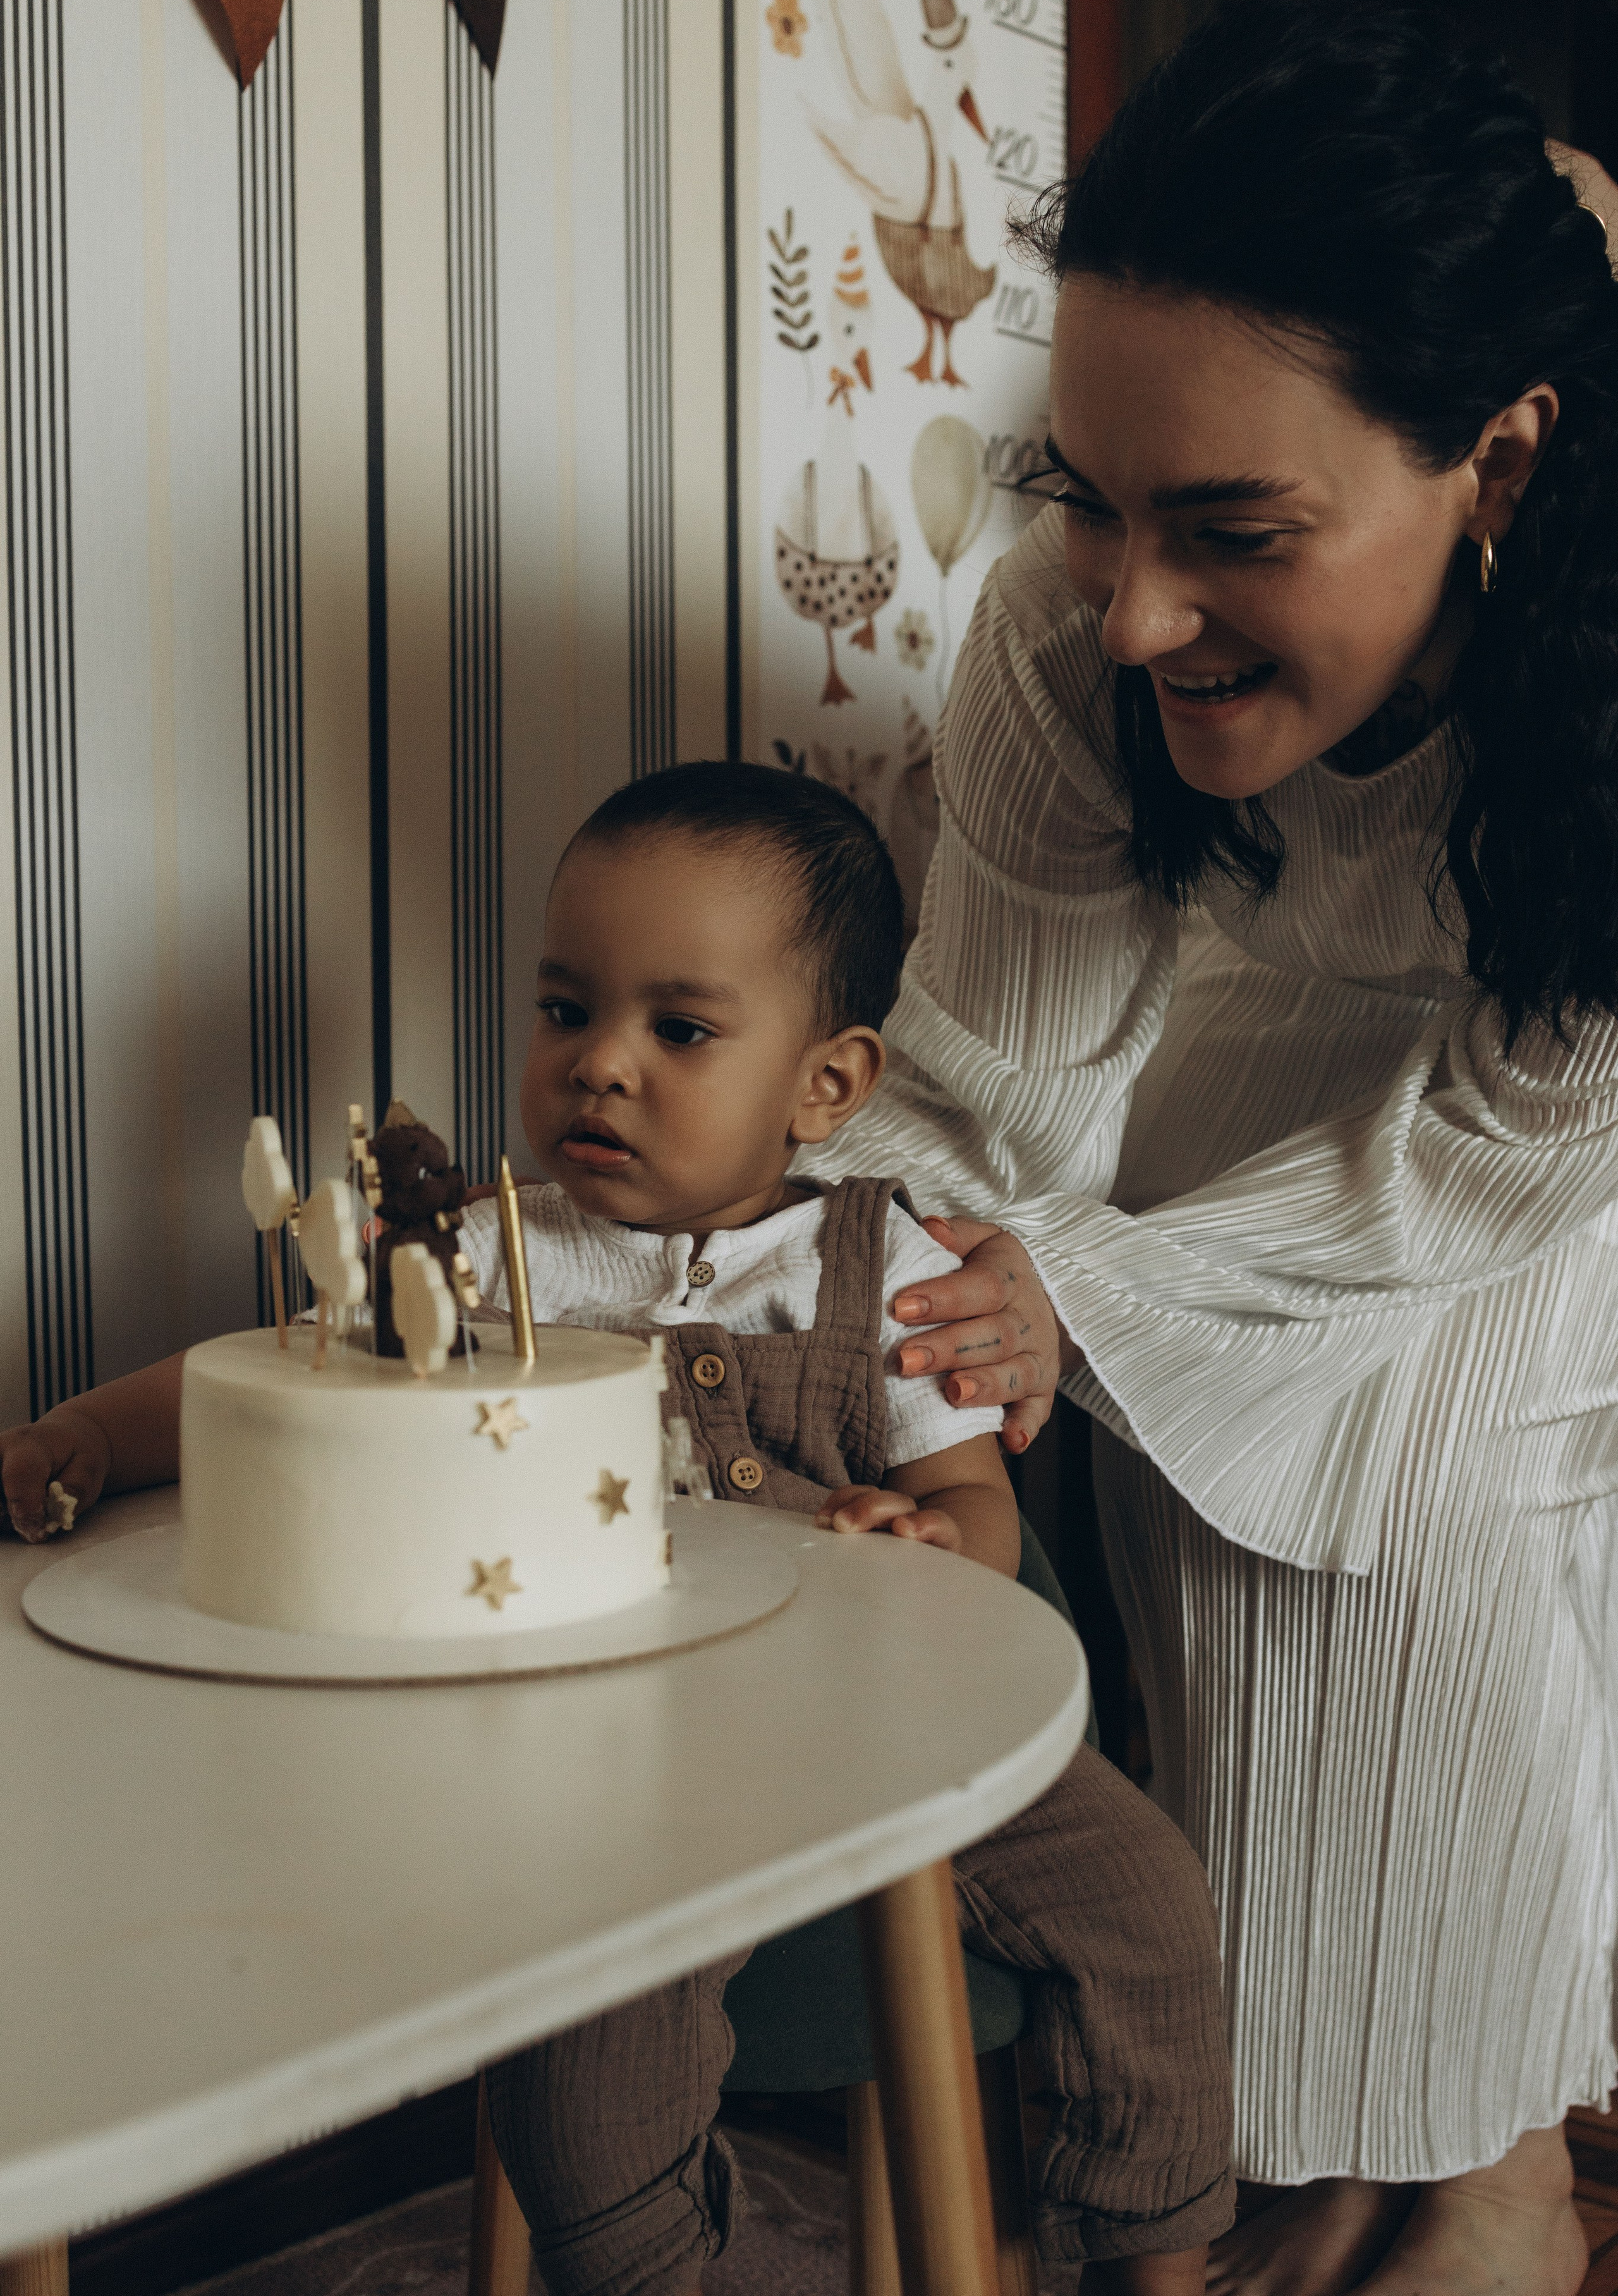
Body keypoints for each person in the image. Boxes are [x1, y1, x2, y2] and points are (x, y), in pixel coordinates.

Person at [794, 0, 1618, 2296]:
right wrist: (856, 1274)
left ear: (1508, 466)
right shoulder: (1071, 650)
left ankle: (1475, 2164)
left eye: (1236, 531)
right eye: (1095, 497)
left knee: (1434, 1489)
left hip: (1545, 1150)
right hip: (1223, 1100)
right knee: (1167, 1483)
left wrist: (1115, 1292)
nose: (1137, 606)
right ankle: (1273, 2148)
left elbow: (1498, 1159)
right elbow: (1009, 1082)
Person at [0, 761, 1235, 2296]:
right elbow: (267, 1372)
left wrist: (927, 1543)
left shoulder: (888, 1263)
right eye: (564, 1010)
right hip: (637, 1787)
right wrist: (80, 1439)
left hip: (894, 1726)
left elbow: (975, 1510)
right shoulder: (481, 1265)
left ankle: (1153, 2272)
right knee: (587, 2081)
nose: (600, 1067)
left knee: (1150, 1907)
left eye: (680, 1030)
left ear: (826, 1084)